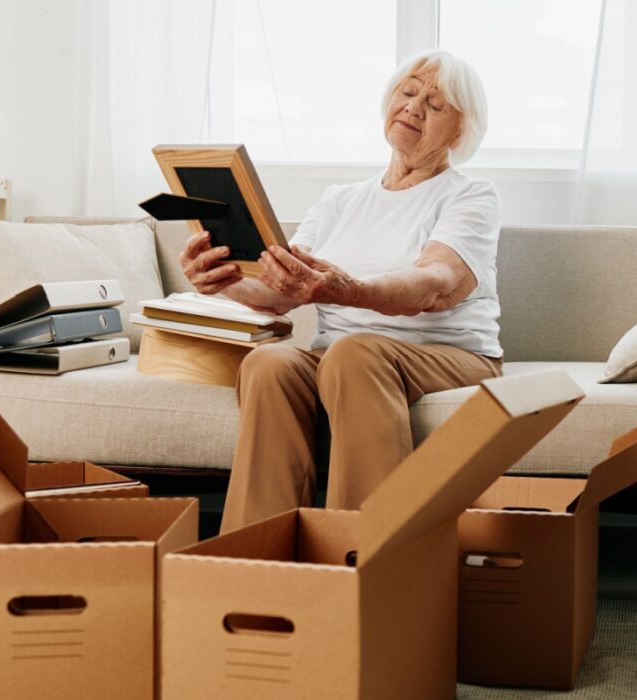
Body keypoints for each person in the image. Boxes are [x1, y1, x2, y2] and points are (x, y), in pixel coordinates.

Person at [178, 50, 502, 533]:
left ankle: (364, 558)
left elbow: (436, 284)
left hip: (444, 353)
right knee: (269, 363)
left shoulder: (469, 196)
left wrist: (346, 289)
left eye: (436, 106)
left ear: (460, 133)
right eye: (408, 92)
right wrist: (224, 284)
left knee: (354, 355)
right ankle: (255, 558)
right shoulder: (340, 199)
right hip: (340, 355)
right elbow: (281, 291)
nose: (414, 107)